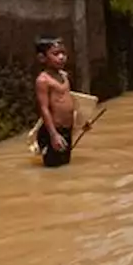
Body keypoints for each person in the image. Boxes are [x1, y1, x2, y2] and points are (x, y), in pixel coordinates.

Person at [34, 36, 88, 168]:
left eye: (63, 53)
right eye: (56, 54)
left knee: (65, 165)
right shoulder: (43, 80)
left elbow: (73, 101)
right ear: (42, 58)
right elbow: (44, 109)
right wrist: (53, 135)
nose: (61, 57)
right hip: (53, 130)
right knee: (53, 167)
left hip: (66, 129)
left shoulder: (64, 76)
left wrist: (82, 121)